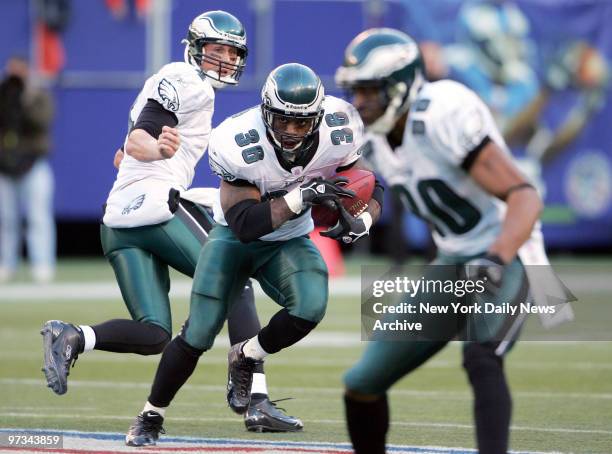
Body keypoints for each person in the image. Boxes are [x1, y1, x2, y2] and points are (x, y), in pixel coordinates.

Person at [40, 10, 301, 438]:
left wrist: (146, 150)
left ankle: (72, 337)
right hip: (156, 206)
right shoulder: (186, 79)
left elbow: (120, 155)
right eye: (216, 50)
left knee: (154, 334)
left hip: (118, 221)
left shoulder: (171, 82)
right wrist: (156, 151)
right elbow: (137, 140)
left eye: (231, 52)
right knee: (235, 278)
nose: (225, 60)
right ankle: (256, 399)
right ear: (195, 49)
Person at [124, 62, 384, 446]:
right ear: (265, 113)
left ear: (317, 118)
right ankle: (150, 415)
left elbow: (368, 184)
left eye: (301, 123)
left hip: (289, 241)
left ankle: (246, 354)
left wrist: (366, 220)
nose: (292, 131)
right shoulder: (237, 139)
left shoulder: (339, 127)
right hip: (233, 240)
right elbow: (245, 223)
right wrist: (299, 198)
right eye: (283, 121)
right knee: (198, 333)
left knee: (311, 306)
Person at [335, 28, 546, 454]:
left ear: (399, 84)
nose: (360, 102)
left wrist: (496, 257)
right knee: (362, 383)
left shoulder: (442, 111)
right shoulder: (372, 137)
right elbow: (366, 189)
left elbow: (525, 196)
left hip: (509, 251)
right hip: (453, 259)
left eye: (369, 90)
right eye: (356, 91)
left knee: (481, 354)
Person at [0, 55, 55, 283]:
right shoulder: (3, 96)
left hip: (33, 164)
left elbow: (43, 122)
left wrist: (25, 99)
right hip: (5, 166)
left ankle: (42, 264)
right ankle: (7, 264)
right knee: (6, 218)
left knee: (38, 217)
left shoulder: (38, 96)